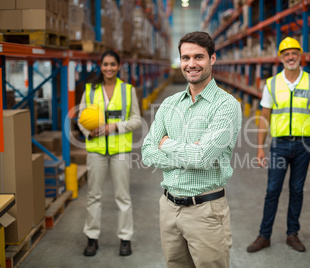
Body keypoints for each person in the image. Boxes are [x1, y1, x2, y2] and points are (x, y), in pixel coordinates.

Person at [141, 31, 242, 267]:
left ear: (212, 59)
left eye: (199, 57)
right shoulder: (169, 104)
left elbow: (202, 157)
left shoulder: (226, 105)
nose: (191, 64)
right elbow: (147, 151)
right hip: (168, 208)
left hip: (205, 212)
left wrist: (166, 144)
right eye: (185, 58)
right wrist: (187, 153)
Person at [247, 37, 310, 253]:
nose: (291, 57)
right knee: (272, 190)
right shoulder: (272, 84)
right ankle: (264, 235)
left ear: (300, 56)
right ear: (281, 58)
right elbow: (264, 117)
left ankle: (292, 234)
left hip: (304, 146)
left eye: (294, 53)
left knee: (297, 190)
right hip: (280, 145)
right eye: (286, 54)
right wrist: (259, 148)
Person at [77, 50, 142, 257]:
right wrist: (89, 131)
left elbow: (136, 120)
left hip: (120, 150)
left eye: (112, 64)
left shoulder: (128, 90)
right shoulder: (89, 90)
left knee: (123, 196)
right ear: (100, 66)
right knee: (93, 195)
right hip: (96, 149)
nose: (109, 68)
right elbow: (80, 117)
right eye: (105, 64)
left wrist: (114, 127)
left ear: (119, 66)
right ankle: (92, 238)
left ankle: (125, 238)